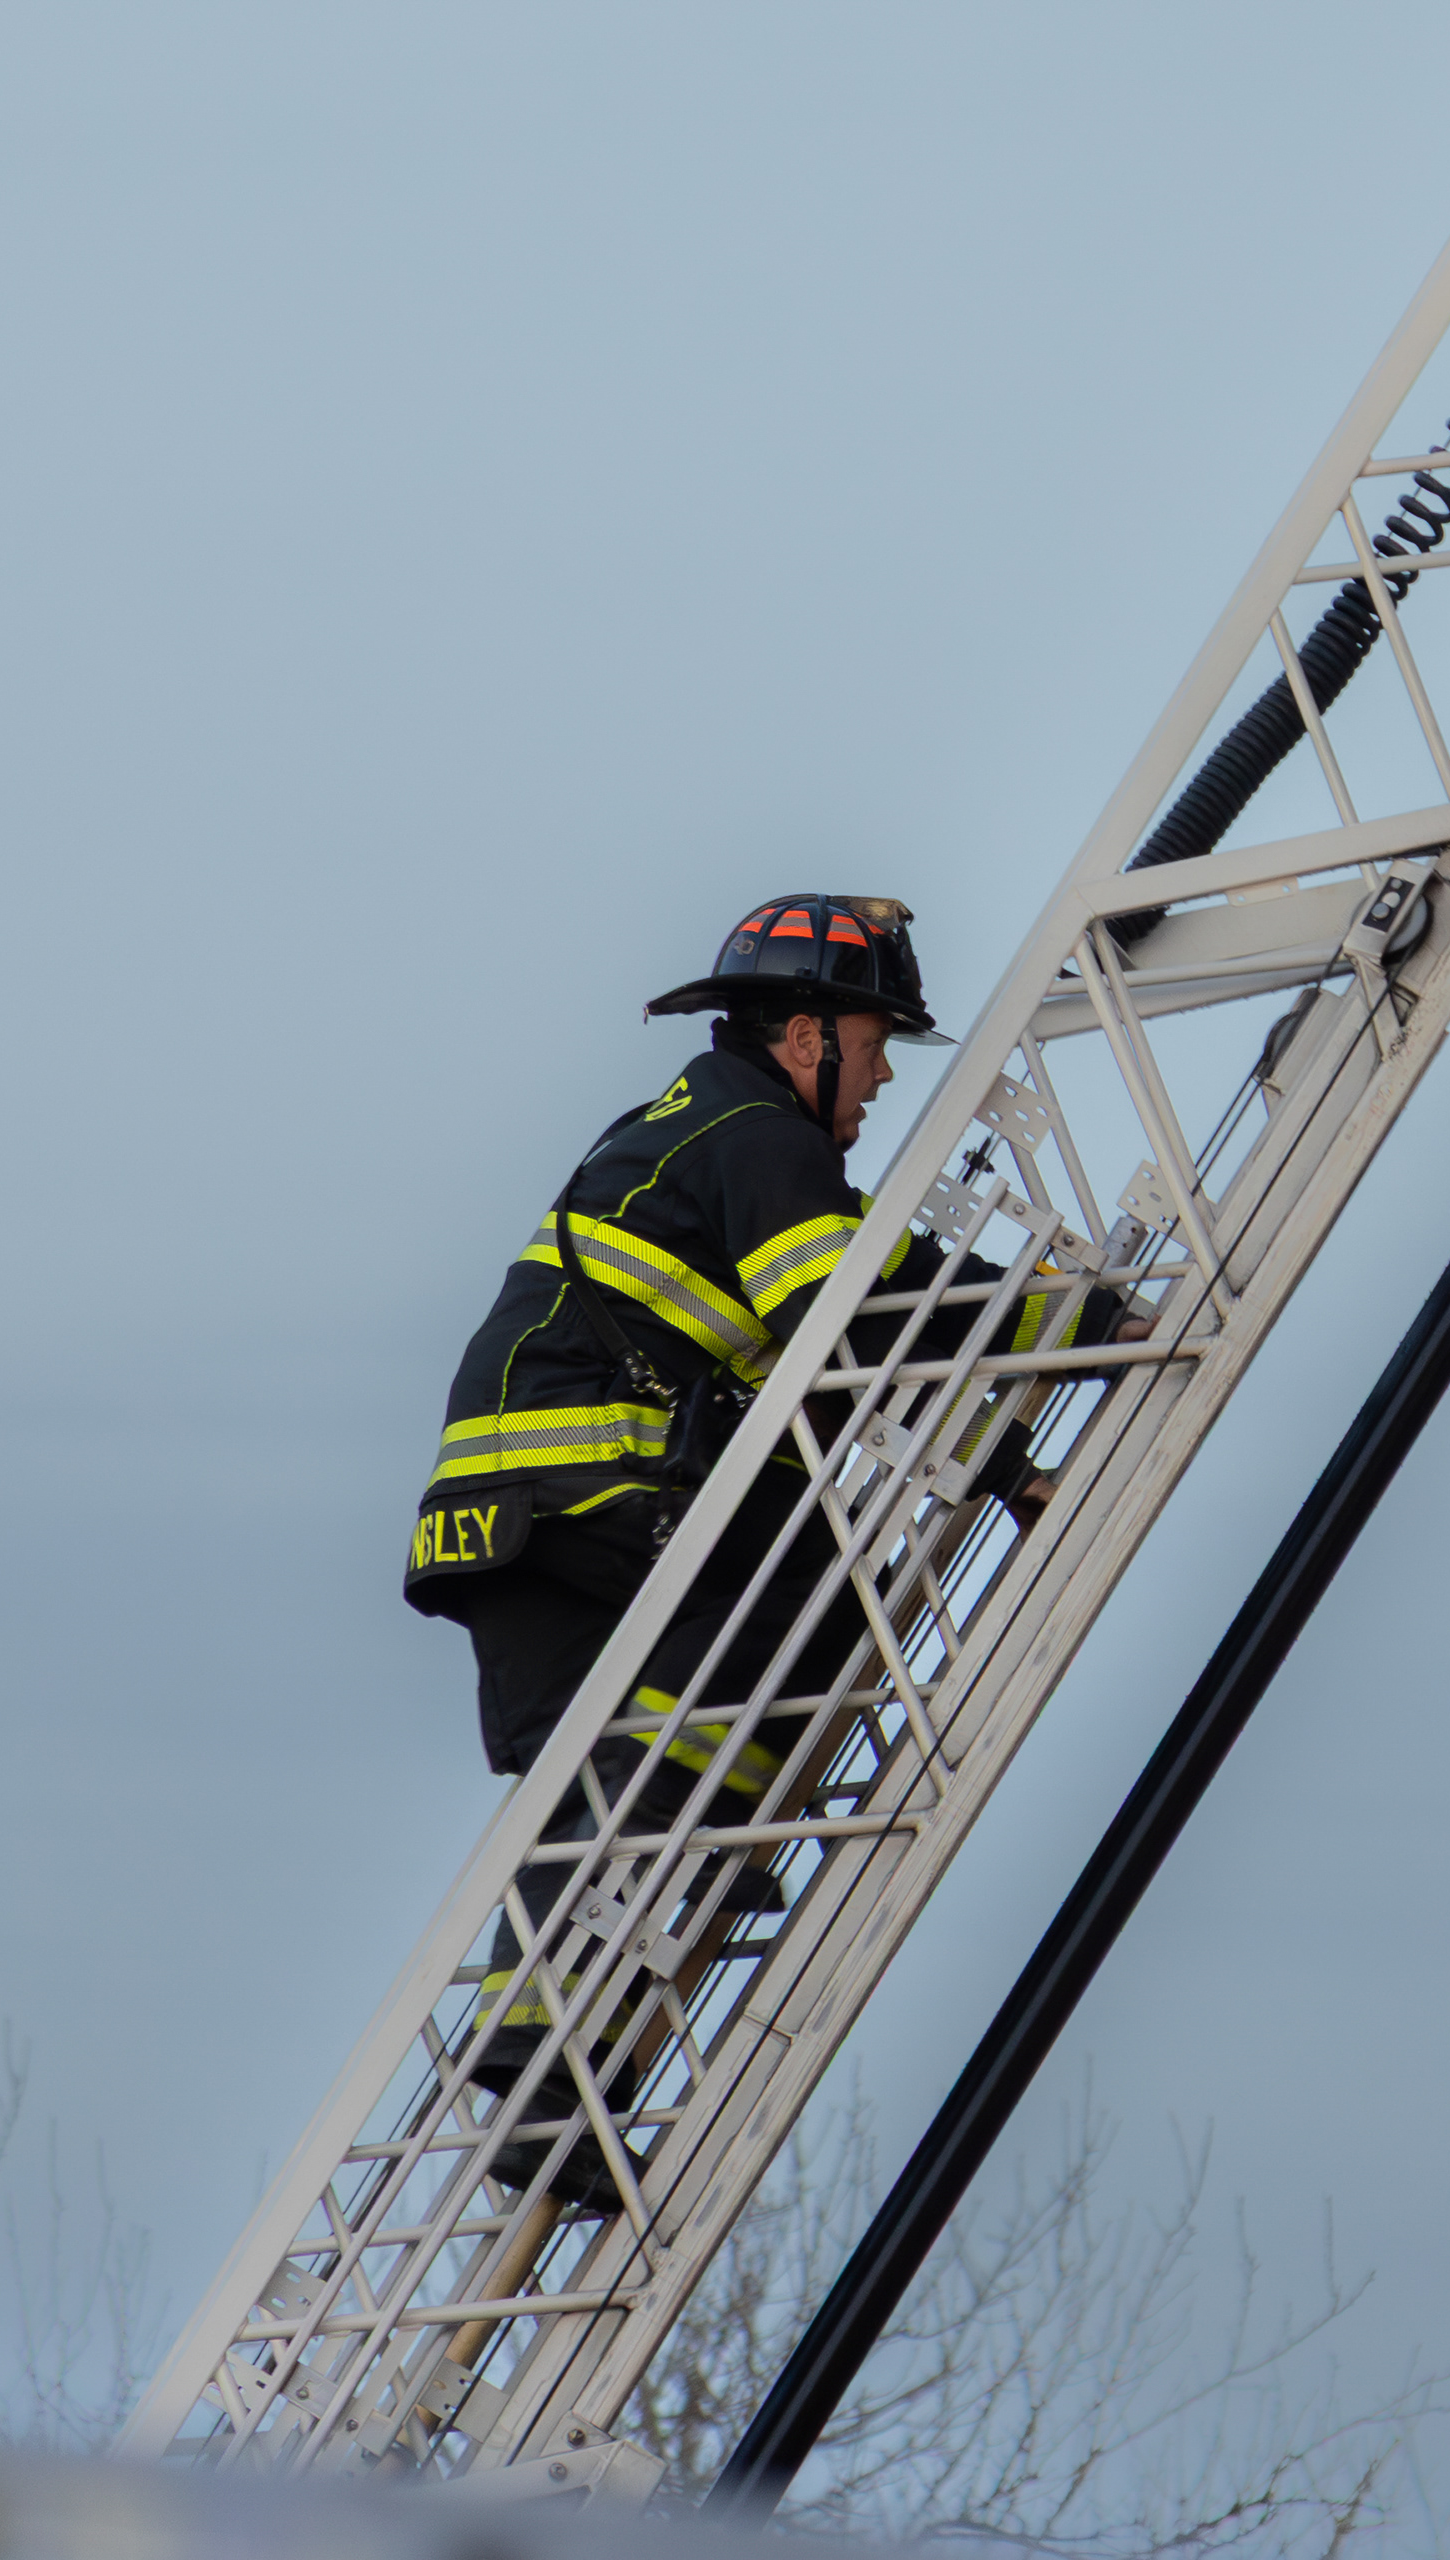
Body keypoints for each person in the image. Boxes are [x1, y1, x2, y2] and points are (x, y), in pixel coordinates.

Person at [404, 893, 1117, 2206]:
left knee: (592, 1794)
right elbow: (848, 1321)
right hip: (591, 1482)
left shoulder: (705, 1135)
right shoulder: (761, 1142)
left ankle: (554, 2084)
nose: (886, 1071)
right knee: (803, 1620)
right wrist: (1064, 1318)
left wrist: (1007, 1465)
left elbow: (849, 1336)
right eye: (875, 1036)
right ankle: (568, 2043)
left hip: (506, 1509)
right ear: (805, 1036)